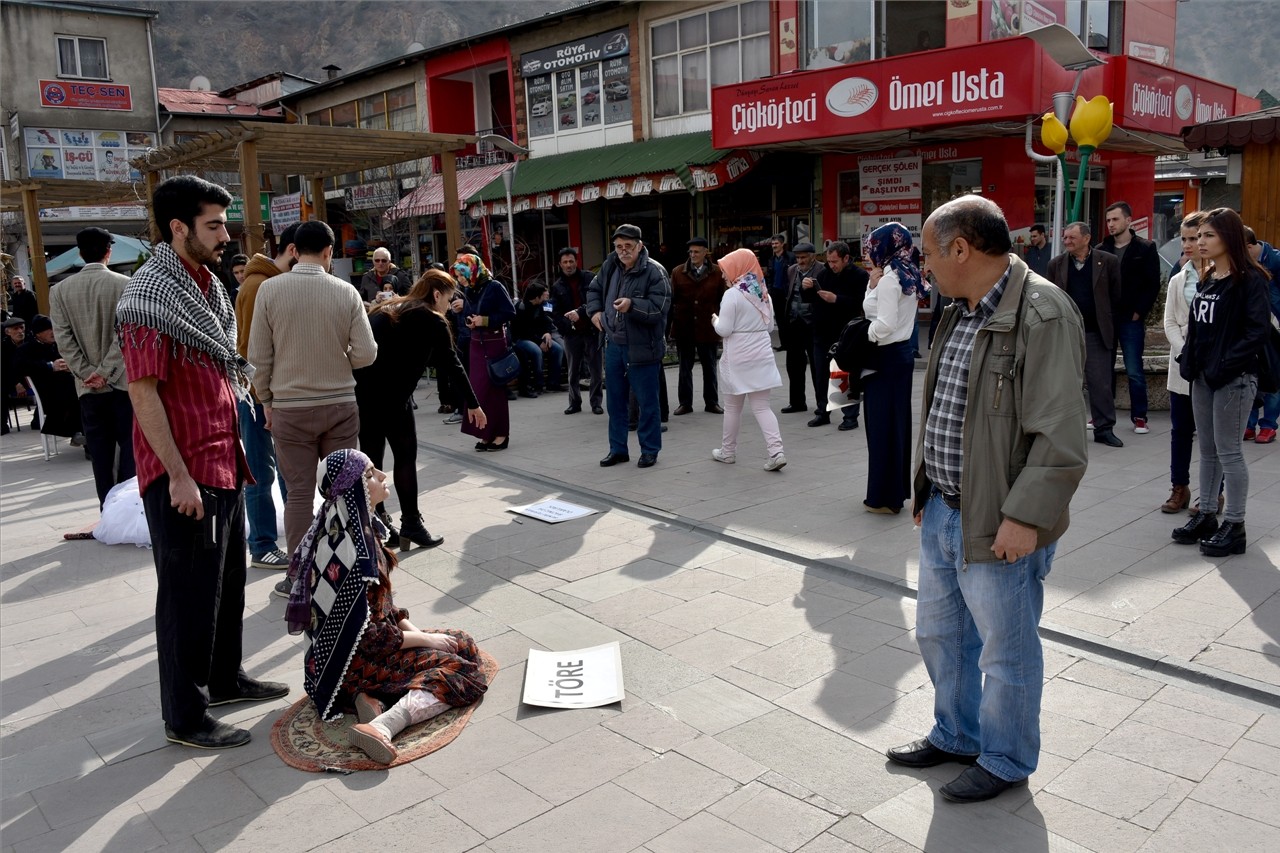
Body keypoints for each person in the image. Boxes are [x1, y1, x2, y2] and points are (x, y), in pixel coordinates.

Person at [888, 195, 1086, 804]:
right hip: (946, 509)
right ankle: (957, 733)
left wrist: (1025, 518)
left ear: (960, 249)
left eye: (926, 252)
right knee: (940, 634)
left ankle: (1005, 757)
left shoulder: (1043, 312)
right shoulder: (958, 307)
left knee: (1006, 649)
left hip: (1001, 519)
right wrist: (926, 488)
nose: (923, 265)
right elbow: (946, 407)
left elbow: (1059, 434)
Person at [117, 174, 288, 749]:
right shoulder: (147, 298)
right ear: (178, 228)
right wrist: (179, 476)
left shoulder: (206, 288)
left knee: (227, 582)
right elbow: (143, 394)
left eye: (224, 223)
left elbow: (219, 368)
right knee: (187, 596)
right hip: (185, 471)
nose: (225, 235)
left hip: (224, 459)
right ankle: (185, 717)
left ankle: (223, 678)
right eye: (213, 225)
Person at [282, 449, 489, 765]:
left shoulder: (350, 532)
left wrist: (417, 633)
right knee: (465, 670)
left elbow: (381, 610)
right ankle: (382, 725)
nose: (381, 477)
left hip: (355, 658)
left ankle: (371, 699)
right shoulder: (351, 552)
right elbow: (370, 636)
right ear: (353, 490)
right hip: (355, 665)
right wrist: (425, 640)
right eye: (370, 475)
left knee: (462, 642)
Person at [248, 220, 377, 570]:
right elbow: (366, 353)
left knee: (300, 494)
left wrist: (267, 402)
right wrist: (340, 362)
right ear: (328, 252)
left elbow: (258, 358)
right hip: (340, 405)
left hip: (290, 408)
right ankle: (344, 569)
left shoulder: (269, 291)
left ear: (294, 250)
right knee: (344, 489)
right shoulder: (346, 291)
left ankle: (300, 572)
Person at [356, 269, 484, 549]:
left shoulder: (389, 307)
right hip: (395, 399)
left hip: (365, 396)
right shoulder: (431, 319)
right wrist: (473, 404)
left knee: (371, 464)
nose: (448, 307)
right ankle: (411, 523)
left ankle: (377, 524)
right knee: (404, 459)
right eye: (448, 300)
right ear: (437, 294)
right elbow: (452, 364)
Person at [1171, 208, 1273, 557]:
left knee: (1229, 452)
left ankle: (1235, 524)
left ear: (1228, 237)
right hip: (1203, 378)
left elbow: (1256, 332)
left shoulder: (1251, 280)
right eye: (1198, 236)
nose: (1200, 242)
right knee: (1208, 450)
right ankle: (1208, 515)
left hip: (1235, 379)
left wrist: (1223, 366)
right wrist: (1189, 362)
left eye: (1208, 236)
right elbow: (1200, 327)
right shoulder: (1210, 276)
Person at [49, 227, 135, 508]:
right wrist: (106, 371)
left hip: (86, 387)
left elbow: (63, 338)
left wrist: (87, 373)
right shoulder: (124, 284)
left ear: (79, 253)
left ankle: (107, 508)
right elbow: (124, 335)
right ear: (108, 251)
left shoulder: (59, 290)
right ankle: (127, 508)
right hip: (121, 382)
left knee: (100, 452)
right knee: (129, 448)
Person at [233, 224, 299, 570]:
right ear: (292, 251)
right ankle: (261, 545)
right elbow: (250, 348)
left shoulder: (266, 282)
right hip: (259, 394)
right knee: (261, 473)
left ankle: (287, 544)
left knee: (283, 472)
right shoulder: (261, 285)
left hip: (266, 392)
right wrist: (264, 400)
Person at [587, 224, 671, 469]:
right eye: (619, 246)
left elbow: (659, 307)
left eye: (628, 247)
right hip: (613, 344)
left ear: (640, 246)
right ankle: (618, 449)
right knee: (615, 401)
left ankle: (650, 450)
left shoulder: (655, 271)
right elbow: (594, 289)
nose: (623, 251)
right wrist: (595, 312)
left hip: (643, 347)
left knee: (647, 402)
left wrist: (632, 305)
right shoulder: (610, 265)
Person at [861, 223, 924, 514]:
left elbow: (883, 325)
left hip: (884, 358)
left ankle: (882, 498)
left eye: (873, 245)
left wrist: (865, 334)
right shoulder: (907, 272)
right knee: (895, 426)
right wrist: (872, 285)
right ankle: (893, 493)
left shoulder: (889, 279)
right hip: (901, 357)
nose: (869, 251)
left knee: (880, 427)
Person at [1047, 221, 1124, 448]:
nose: (1067, 241)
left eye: (1072, 237)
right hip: (1065, 332)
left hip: (1095, 332)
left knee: (1100, 383)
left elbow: (1116, 295)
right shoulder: (1056, 265)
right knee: (1065, 383)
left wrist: (1112, 326)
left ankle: (1104, 428)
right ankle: (1063, 429)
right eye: (1065, 237)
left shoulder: (1108, 262)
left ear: (1087, 238)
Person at [709, 248, 786, 471]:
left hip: (738, 357)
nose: (723, 275)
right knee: (762, 407)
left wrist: (715, 320)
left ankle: (728, 451)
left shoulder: (732, 294)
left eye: (725, 270)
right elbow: (770, 326)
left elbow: (724, 330)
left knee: (733, 407)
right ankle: (776, 451)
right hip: (762, 354)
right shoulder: (763, 293)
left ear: (737, 268)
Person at [1161, 211, 1211, 513]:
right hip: (1182, 365)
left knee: (1210, 435)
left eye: (1195, 238)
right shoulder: (1178, 278)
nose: (1190, 244)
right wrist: (1184, 351)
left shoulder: (1222, 275)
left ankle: (1211, 491)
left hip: (1212, 367)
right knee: (1180, 431)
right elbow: (1169, 322)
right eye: (1185, 238)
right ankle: (1179, 487)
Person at [1097, 201, 1161, 435]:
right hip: (1106, 317)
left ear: (1128, 220)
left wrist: (1139, 311)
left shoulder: (1145, 248)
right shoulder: (1102, 248)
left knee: (1134, 368)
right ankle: (1102, 415)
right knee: (1104, 367)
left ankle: (1140, 416)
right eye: (1108, 220)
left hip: (1130, 318)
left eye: (1115, 219)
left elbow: (1152, 284)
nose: (1111, 224)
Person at [450, 253, 514, 451]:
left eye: (462, 275)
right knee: (478, 391)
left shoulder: (494, 287)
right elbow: (470, 311)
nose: (460, 280)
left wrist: (484, 320)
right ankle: (486, 434)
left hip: (494, 343)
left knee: (494, 390)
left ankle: (501, 435)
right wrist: (468, 319)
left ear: (473, 270)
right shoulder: (471, 289)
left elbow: (509, 312)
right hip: (476, 344)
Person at [803, 240, 867, 430]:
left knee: (843, 374)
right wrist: (805, 287)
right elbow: (811, 299)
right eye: (829, 261)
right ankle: (823, 412)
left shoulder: (859, 276)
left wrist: (836, 299)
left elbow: (861, 303)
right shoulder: (824, 274)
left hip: (845, 334)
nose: (831, 265)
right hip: (822, 332)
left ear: (846, 258)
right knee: (821, 375)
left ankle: (850, 417)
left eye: (834, 261)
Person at [669, 237, 723, 416]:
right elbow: (671, 300)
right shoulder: (678, 272)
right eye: (690, 252)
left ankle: (712, 402)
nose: (693, 255)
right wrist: (669, 327)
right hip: (685, 327)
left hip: (708, 326)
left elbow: (723, 300)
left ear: (705, 253)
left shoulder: (717, 272)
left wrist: (723, 323)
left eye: (696, 252)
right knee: (685, 368)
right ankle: (685, 403)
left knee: (710, 367)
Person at [550, 247, 603, 415]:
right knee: (573, 370)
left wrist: (581, 314)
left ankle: (596, 402)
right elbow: (552, 311)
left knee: (595, 369)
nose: (568, 265)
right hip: (571, 334)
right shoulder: (556, 286)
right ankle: (574, 402)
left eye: (571, 261)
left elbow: (597, 301)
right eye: (565, 262)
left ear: (576, 262)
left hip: (591, 330)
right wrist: (565, 327)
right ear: (560, 264)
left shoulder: (590, 278)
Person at [1243, 226, 1280, 444]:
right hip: (1253, 327)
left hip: (1274, 329)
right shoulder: (1243, 265)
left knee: (1273, 375)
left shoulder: (1275, 261)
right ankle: (1248, 424)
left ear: (1249, 247)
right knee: (1251, 375)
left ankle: (1268, 426)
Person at [779, 241, 822, 414]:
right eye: (798, 257)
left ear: (812, 256)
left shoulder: (822, 270)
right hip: (794, 322)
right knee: (794, 364)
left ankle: (822, 404)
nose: (800, 261)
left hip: (813, 323)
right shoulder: (791, 270)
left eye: (804, 257)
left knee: (817, 365)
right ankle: (797, 402)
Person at [511, 281, 565, 398]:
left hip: (537, 337)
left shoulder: (540, 306)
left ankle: (553, 383)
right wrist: (539, 341)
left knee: (558, 349)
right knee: (536, 351)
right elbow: (523, 331)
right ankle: (538, 384)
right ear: (536, 297)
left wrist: (547, 333)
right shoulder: (520, 308)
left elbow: (546, 321)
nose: (546, 295)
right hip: (521, 339)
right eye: (543, 294)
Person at [2, 316, 31, 433]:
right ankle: (2, 424)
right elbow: (4, 369)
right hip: (10, 381)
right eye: (15, 329)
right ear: (7, 332)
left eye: (21, 328)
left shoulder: (30, 342)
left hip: (30, 378)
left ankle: (39, 420)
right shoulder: (3, 347)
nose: (20, 331)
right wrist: (16, 383)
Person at [765, 233, 796, 324]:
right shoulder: (771, 260)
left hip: (786, 292)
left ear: (782, 244)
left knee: (788, 319)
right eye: (773, 244)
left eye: (776, 243)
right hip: (775, 292)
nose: (774, 246)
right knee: (779, 319)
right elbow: (769, 277)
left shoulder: (791, 257)